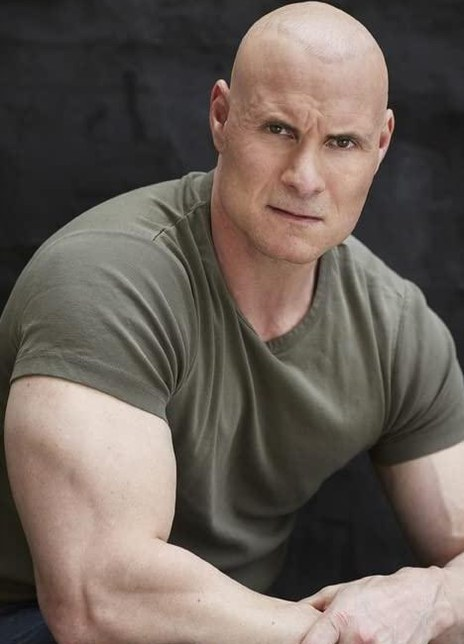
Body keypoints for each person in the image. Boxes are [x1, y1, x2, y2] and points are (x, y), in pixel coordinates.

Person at [1, 1, 463, 642]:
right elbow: (98, 598)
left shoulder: (395, 326)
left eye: (342, 143)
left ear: (380, 144)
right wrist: (341, 636)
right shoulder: (106, 279)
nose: (305, 177)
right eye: (278, 129)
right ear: (221, 116)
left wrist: (435, 597)